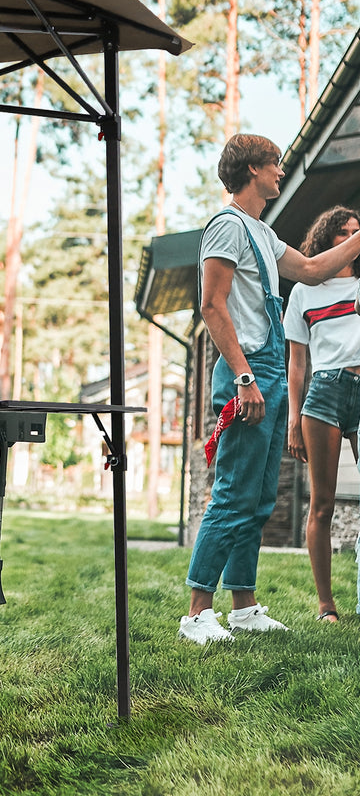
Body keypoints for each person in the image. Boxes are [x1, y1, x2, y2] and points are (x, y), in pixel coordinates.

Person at [180, 134, 360, 645]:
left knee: (259, 499)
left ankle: (243, 606)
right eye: (276, 165)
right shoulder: (226, 226)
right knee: (233, 494)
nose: (282, 173)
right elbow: (212, 306)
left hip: (273, 372)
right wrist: (243, 378)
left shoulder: (261, 230)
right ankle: (197, 612)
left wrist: (357, 238)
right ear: (253, 169)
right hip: (248, 370)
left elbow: (310, 268)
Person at [284, 206, 360, 623]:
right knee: (322, 505)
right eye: (343, 233)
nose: (351, 239)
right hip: (326, 392)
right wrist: (294, 419)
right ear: (326, 239)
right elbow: (297, 363)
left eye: (357, 233)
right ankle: (326, 606)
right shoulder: (305, 290)